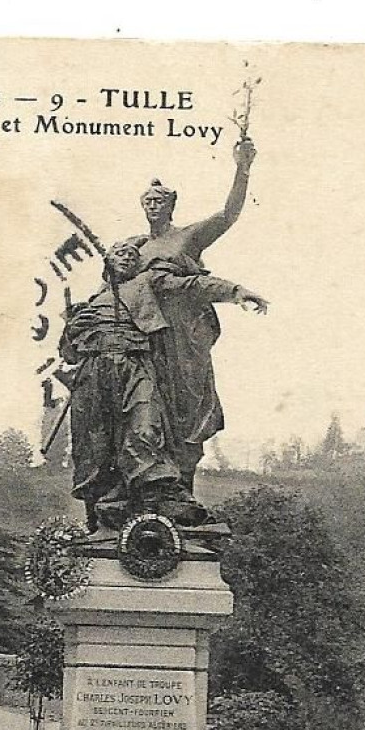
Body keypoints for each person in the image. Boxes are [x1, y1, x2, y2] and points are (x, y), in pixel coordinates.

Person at [59, 239, 267, 530]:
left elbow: (192, 285)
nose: (128, 258)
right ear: (107, 260)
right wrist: (73, 327)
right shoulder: (90, 304)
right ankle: (103, 510)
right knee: (96, 444)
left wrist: (236, 292)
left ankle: (160, 494)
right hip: (94, 375)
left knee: (146, 426)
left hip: (135, 366)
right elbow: (69, 353)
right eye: (121, 253)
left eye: (133, 256)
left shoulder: (147, 281)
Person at [127, 137, 257, 492]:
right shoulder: (136, 248)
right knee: (147, 414)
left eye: (159, 201)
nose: (153, 206)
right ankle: (151, 490)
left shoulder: (186, 237)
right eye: (148, 201)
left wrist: (242, 169)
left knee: (187, 411)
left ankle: (183, 491)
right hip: (148, 339)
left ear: (171, 205)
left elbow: (227, 216)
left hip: (185, 340)